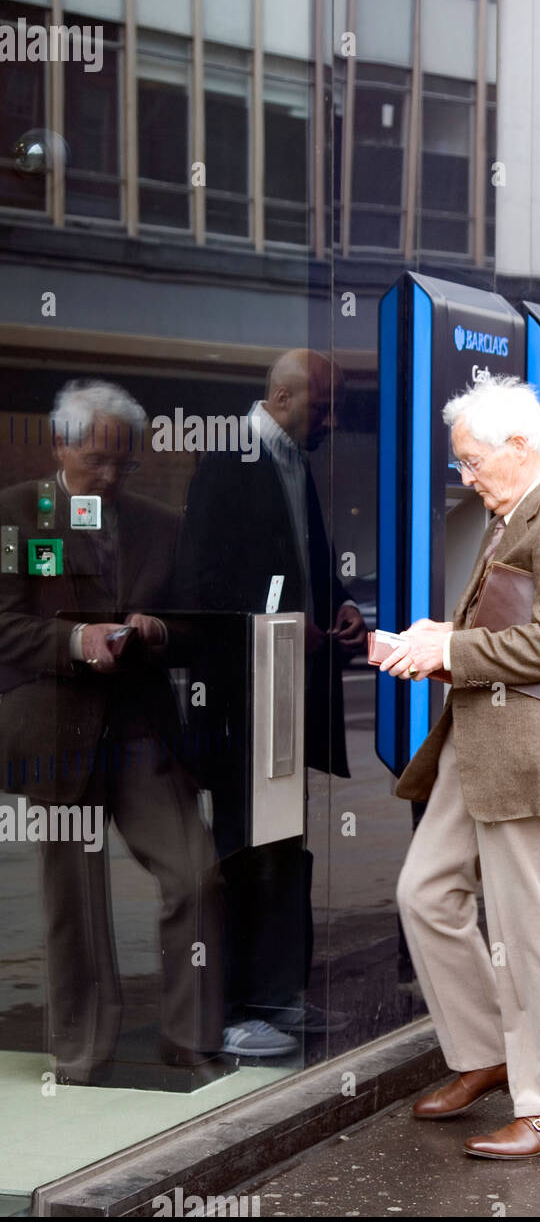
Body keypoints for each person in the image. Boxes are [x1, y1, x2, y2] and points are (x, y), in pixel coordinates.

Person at [385, 374, 540, 1159]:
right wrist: (433, 640)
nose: (467, 476)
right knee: (425, 892)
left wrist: (449, 648)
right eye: (462, 464)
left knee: (530, 933)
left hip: (528, 756)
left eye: (474, 461)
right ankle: (485, 1053)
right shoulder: (518, 509)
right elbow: (504, 629)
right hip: (478, 743)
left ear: (522, 447)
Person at [0, 380, 224, 1080]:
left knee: (196, 874)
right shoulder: (14, 513)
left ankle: (188, 1040)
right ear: (61, 443)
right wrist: (75, 642)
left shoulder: (163, 524)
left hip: (142, 732)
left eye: (124, 463)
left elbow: (199, 628)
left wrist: (158, 632)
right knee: (73, 901)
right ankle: (81, 1053)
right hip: (54, 736)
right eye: (97, 458)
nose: (111, 475)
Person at [182, 349, 364, 1056]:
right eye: (324, 405)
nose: (333, 418)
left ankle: (278, 995)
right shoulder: (232, 460)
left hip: (286, 688)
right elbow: (205, 581)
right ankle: (231, 1011)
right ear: (284, 397)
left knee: (285, 845)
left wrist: (339, 609)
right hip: (243, 695)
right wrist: (284, 629)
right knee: (243, 848)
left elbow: (308, 562)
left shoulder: (292, 460)